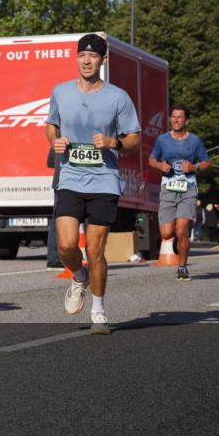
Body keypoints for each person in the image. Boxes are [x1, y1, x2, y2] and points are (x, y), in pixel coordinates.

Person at [46, 33, 141, 334]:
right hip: (71, 176)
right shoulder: (61, 92)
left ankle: (98, 310)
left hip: (103, 180)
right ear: (76, 58)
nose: (87, 61)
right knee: (66, 245)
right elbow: (51, 125)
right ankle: (78, 276)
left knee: (96, 250)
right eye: (82, 56)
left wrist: (114, 141)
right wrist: (56, 140)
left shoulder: (117, 97)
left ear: (103, 60)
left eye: (93, 56)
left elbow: (135, 139)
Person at [147, 104, 212, 281]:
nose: (175, 120)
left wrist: (195, 166)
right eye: (173, 117)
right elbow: (151, 159)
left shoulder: (195, 141)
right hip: (168, 188)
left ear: (187, 120)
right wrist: (160, 165)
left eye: (179, 117)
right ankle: (178, 241)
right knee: (167, 233)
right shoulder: (162, 140)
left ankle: (182, 267)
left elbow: (207, 162)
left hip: (188, 189)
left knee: (182, 229)